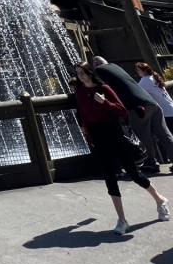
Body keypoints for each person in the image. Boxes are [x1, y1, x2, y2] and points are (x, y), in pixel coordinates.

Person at [72, 61, 169, 234]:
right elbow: (82, 115)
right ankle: (122, 220)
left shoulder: (105, 89)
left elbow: (122, 111)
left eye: (83, 72)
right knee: (109, 176)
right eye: (78, 73)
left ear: (90, 72)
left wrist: (104, 102)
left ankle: (160, 200)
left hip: (113, 133)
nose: (80, 75)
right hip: (97, 135)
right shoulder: (79, 91)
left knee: (133, 173)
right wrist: (88, 135)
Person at [93, 56, 173, 173]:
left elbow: (100, 86)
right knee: (164, 134)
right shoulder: (116, 67)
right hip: (152, 103)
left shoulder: (100, 70)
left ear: (96, 65)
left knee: (143, 135)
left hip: (137, 107)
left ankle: (150, 162)